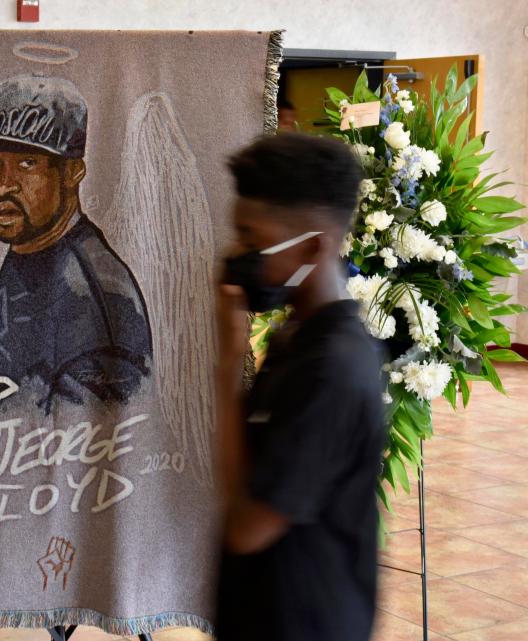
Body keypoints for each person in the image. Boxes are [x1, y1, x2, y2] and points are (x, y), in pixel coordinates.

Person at [214, 133, 385, 641]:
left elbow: (248, 528)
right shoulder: (298, 337)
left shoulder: (331, 369)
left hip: (306, 622)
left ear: (313, 247)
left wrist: (226, 363)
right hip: (266, 612)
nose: (237, 256)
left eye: (252, 241)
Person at [0, 74, 153, 410]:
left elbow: (98, 446)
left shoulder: (92, 295)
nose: (3, 186)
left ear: (73, 172)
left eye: (27, 164)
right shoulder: (31, 248)